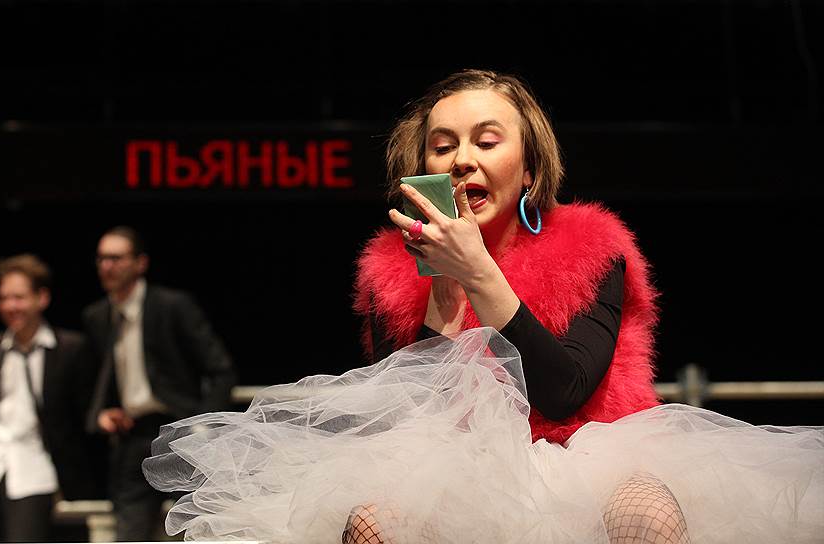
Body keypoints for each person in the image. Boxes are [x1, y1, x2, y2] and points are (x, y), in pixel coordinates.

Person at [142, 70, 823, 543]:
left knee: (645, 515)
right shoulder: (390, 271)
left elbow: (563, 392)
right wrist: (445, 294)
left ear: (529, 169)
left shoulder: (594, 248)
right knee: (374, 522)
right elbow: (413, 415)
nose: (462, 159)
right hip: (455, 468)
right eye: (443, 146)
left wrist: (480, 275)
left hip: (591, 456)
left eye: (486, 142)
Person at [83, 225, 237, 541]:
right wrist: (104, 412)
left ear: (140, 263)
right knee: (130, 534)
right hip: (133, 437)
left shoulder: (171, 306)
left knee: (198, 530)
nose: (107, 266)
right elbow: (100, 379)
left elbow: (221, 370)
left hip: (180, 432)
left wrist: (203, 427)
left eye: (116, 258)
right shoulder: (98, 316)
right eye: (101, 258)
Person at [0, 254, 99, 543]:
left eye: (18, 297)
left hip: (35, 464)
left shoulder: (69, 349)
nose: (9, 306)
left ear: (42, 298)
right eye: (3, 298)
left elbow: (83, 409)